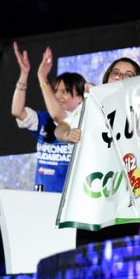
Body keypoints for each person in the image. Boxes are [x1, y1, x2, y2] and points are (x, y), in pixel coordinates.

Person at [55, 57, 140, 246]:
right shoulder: (91, 106)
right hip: (92, 198)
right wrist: (67, 134)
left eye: (129, 75)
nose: (121, 77)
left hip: (126, 202)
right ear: (107, 77)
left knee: (121, 258)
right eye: (116, 73)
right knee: (88, 260)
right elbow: (60, 128)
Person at [11, 43, 86, 192]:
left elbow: (59, 117)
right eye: (55, 91)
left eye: (64, 92)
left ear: (80, 98)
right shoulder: (45, 120)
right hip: (40, 199)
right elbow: (17, 111)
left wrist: (42, 77)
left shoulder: (84, 122)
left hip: (69, 202)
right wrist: (24, 74)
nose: (57, 96)